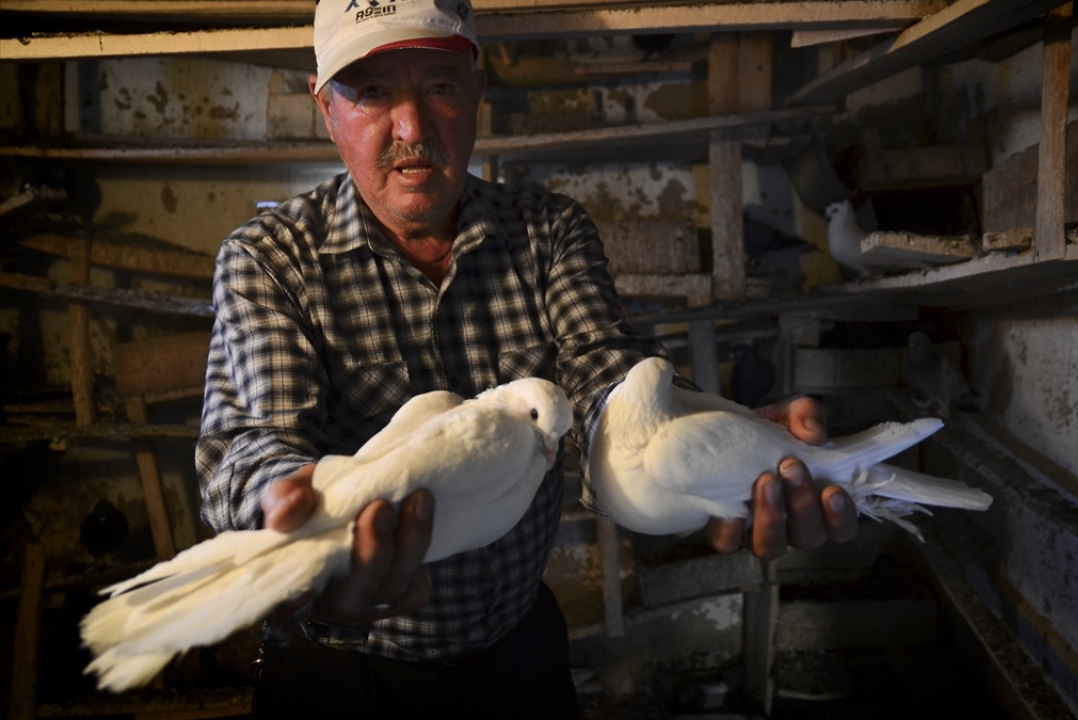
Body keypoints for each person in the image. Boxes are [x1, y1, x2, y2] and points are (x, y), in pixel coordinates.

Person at [195, 0, 858, 716]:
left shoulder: (548, 233)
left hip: (518, 658)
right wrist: (291, 513)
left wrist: (710, 435)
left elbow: (608, 376)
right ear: (326, 107)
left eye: (440, 87)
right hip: (343, 676)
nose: (411, 128)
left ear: (478, 89)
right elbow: (257, 445)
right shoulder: (269, 260)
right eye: (373, 92)